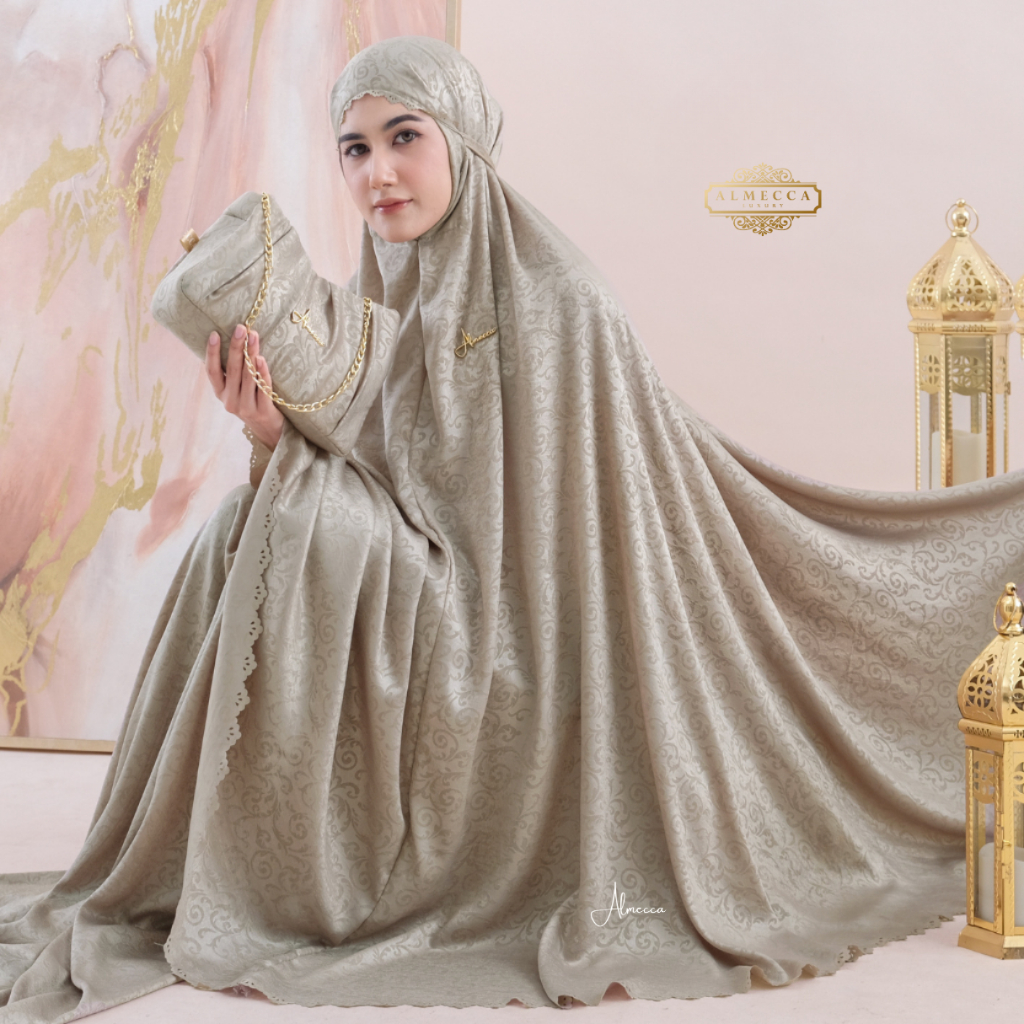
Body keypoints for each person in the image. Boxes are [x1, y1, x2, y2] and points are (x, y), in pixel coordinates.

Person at [3, 34, 1024, 1022]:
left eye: (405, 138)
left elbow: (544, 553)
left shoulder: (560, 303)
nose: (377, 173)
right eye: (354, 148)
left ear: (463, 140)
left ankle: (291, 884)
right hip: (432, 586)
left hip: (518, 636)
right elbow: (389, 483)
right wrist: (272, 435)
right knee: (248, 522)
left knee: (298, 528)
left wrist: (308, 483)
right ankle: (231, 871)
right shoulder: (384, 288)